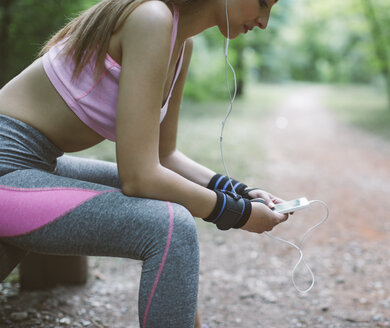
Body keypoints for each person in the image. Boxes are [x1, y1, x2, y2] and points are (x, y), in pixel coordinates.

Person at [0, 0, 287, 327]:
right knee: (172, 226)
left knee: (169, 200)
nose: (264, 21)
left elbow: (165, 156)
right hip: (7, 169)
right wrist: (239, 214)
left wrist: (241, 193)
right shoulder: (150, 18)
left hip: (36, 166)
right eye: (263, 2)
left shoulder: (181, 42)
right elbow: (139, 178)